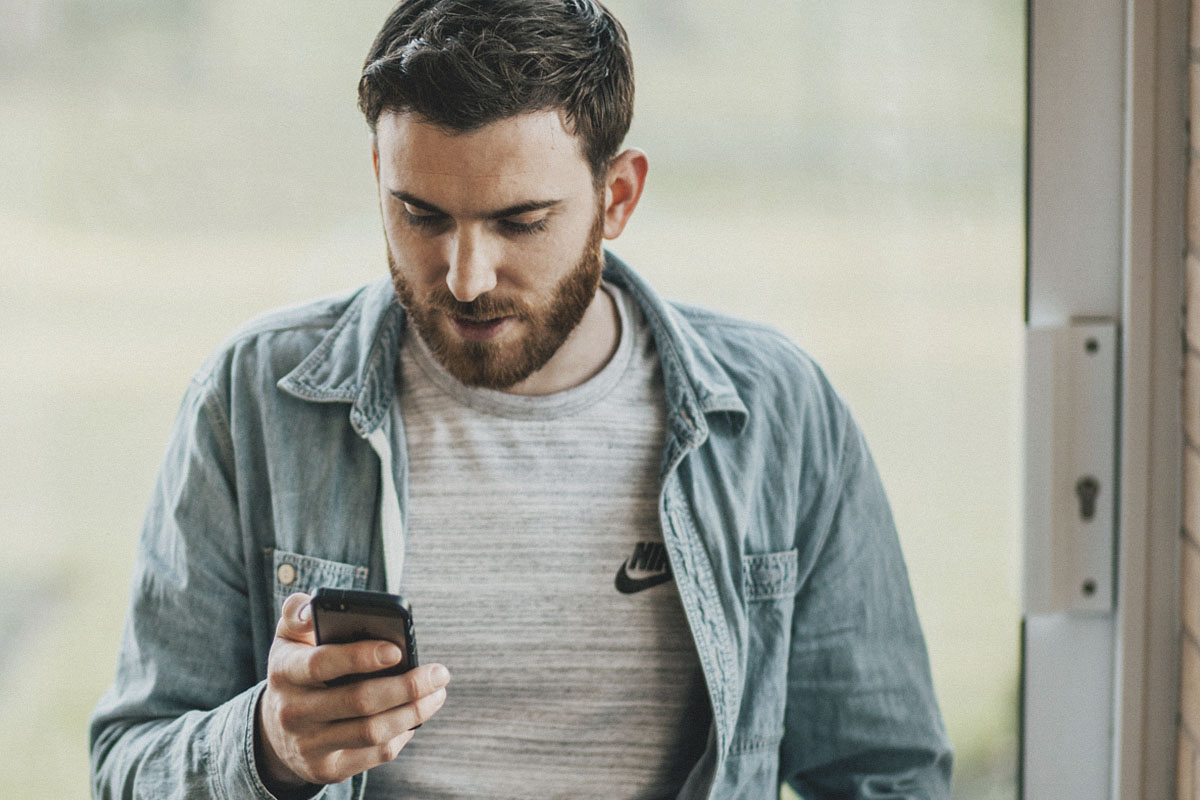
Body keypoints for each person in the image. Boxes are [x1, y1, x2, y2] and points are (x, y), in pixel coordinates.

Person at [89, 0, 953, 797]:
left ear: (617, 197)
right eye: (420, 215)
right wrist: (269, 748)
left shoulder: (778, 415)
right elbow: (128, 765)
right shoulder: (252, 402)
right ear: (379, 174)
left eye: (519, 222)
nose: (465, 279)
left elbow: (885, 773)